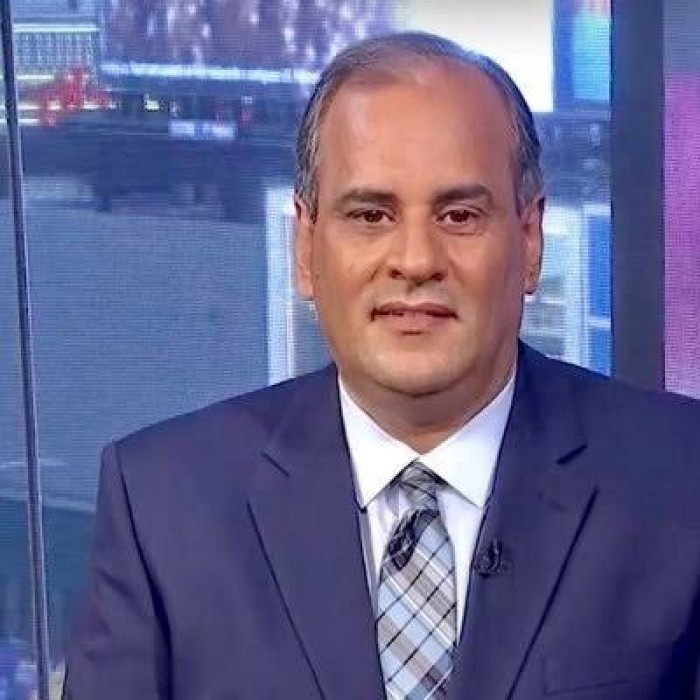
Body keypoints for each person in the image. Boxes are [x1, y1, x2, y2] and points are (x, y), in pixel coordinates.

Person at [62, 32, 700, 699]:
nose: (416, 260)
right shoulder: (162, 506)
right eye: (370, 215)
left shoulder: (682, 481)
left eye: (459, 215)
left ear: (530, 238)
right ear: (305, 247)